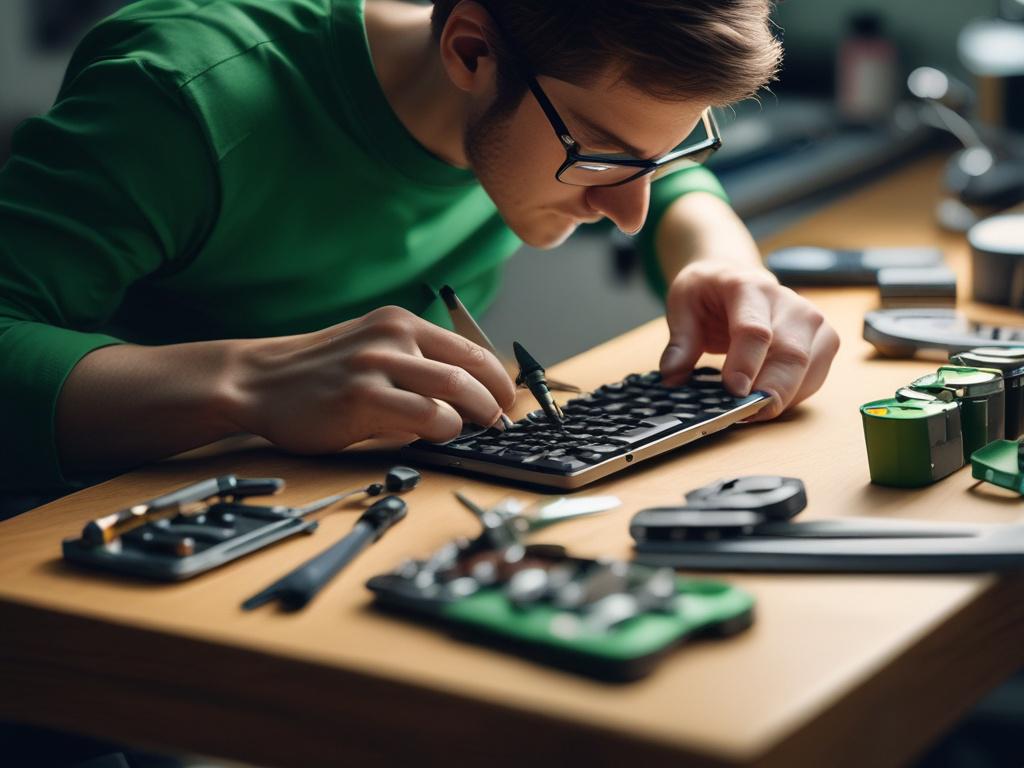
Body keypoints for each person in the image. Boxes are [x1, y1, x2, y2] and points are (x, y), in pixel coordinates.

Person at [0, 0, 839, 499]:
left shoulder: (541, 93)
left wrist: (722, 258)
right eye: (603, 156)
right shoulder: (181, 98)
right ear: (470, 50)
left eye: (675, 148)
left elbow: (659, 178)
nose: (630, 212)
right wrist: (247, 384)